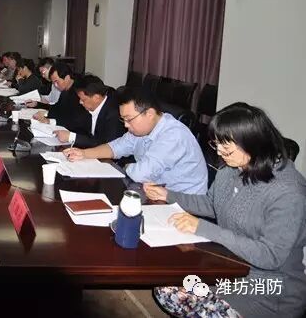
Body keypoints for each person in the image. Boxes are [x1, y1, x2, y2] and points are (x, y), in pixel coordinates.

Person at [146, 103, 306, 318]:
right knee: (166, 286)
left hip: (269, 289)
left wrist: (205, 228)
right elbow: (212, 204)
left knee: (177, 294)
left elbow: (270, 256)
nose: (219, 152)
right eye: (216, 144)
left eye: (226, 147)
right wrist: (168, 195)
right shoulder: (231, 169)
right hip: (229, 267)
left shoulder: (288, 192)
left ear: (253, 142)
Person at [65, 86, 207, 194]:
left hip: (183, 206)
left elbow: (140, 174)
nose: (126, 125)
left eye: (129, 119)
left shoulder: (173, 135)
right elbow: (115, 147)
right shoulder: (141, 130)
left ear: (149, 114)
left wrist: (127, 166)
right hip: (155, 194)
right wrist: (84, 153)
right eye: (123, 119)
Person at [54, 74, 125, 148]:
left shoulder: (113, 115)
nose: (80, 102)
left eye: (83, 100)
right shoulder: (90, 107)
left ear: (96, 98)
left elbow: (105, 146)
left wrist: (72, 137)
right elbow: (78, 125)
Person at [32, 62, 90, 134]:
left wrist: (50, 121)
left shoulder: (80, 92)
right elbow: (58, 107)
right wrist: (40, 107)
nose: (55, 85)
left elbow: (74, 119)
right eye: (53, 83)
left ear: (67, 78)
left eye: (56, 81)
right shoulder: (65, 90)